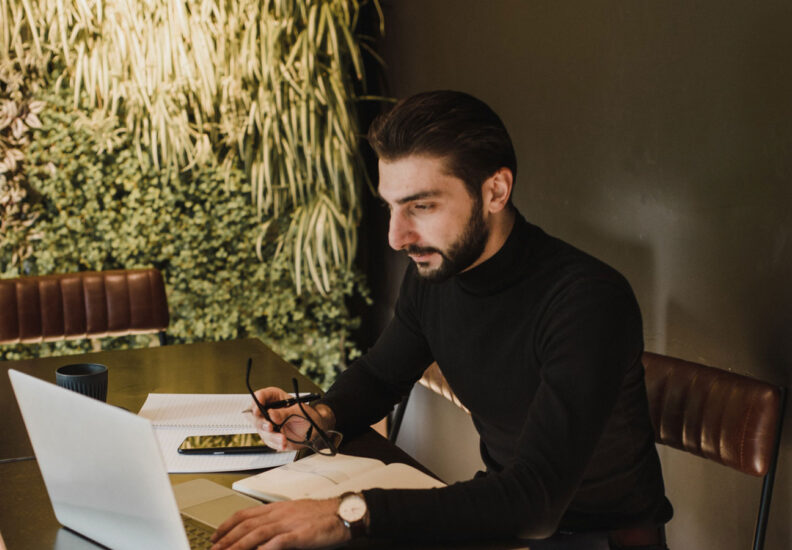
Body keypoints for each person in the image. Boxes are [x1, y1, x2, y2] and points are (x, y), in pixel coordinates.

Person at [210, 91, 673, 550]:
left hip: (591, 537)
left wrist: (347, 512)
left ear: (495, 191)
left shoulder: (586, 300)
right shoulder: (436, 274)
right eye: (391, 206)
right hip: (502, 522)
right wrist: (321, 415)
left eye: (422, 206)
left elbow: (536, 503)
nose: (396, 237)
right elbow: (378, 376)